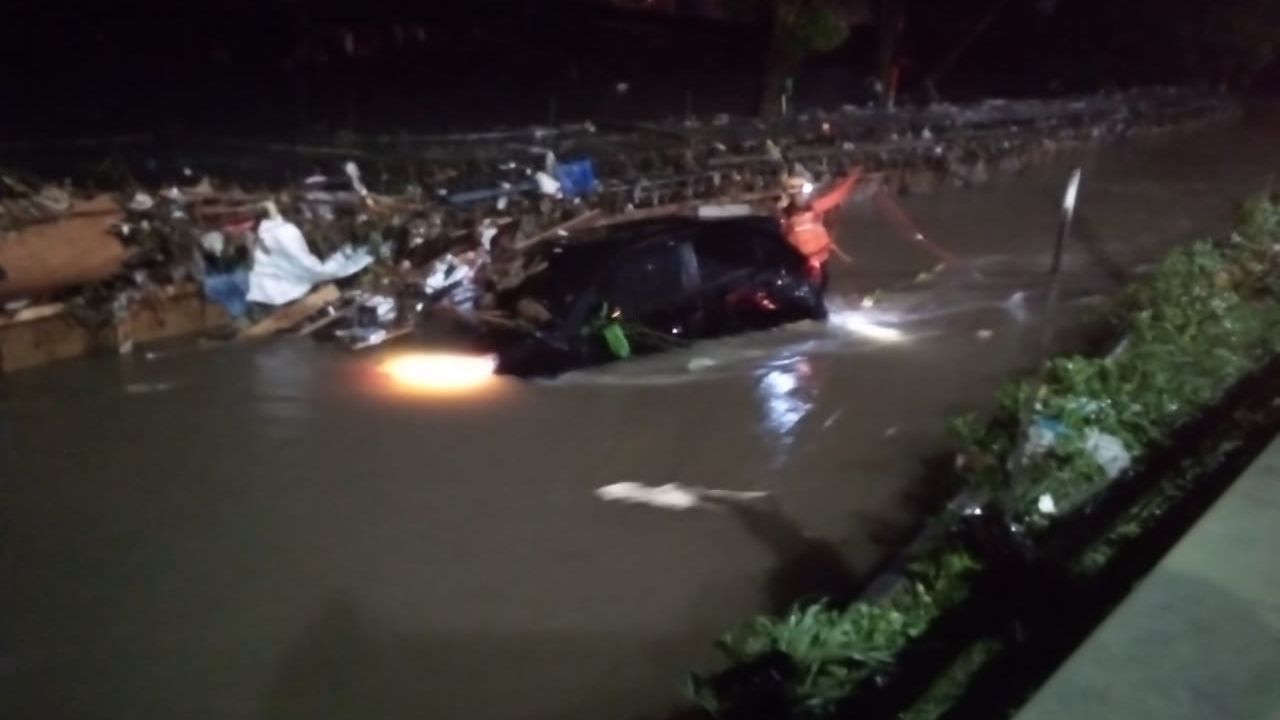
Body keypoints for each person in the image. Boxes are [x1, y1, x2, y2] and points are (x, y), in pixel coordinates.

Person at [780, 169, 862, 292]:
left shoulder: (814, 208)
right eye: (801, 193)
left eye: (805, 193)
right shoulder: (784, 216)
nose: (805, 196)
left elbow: (837, 196)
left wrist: (852, 178)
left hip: (820, 258)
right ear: (792, 196)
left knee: (820, 287)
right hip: (800, 263)